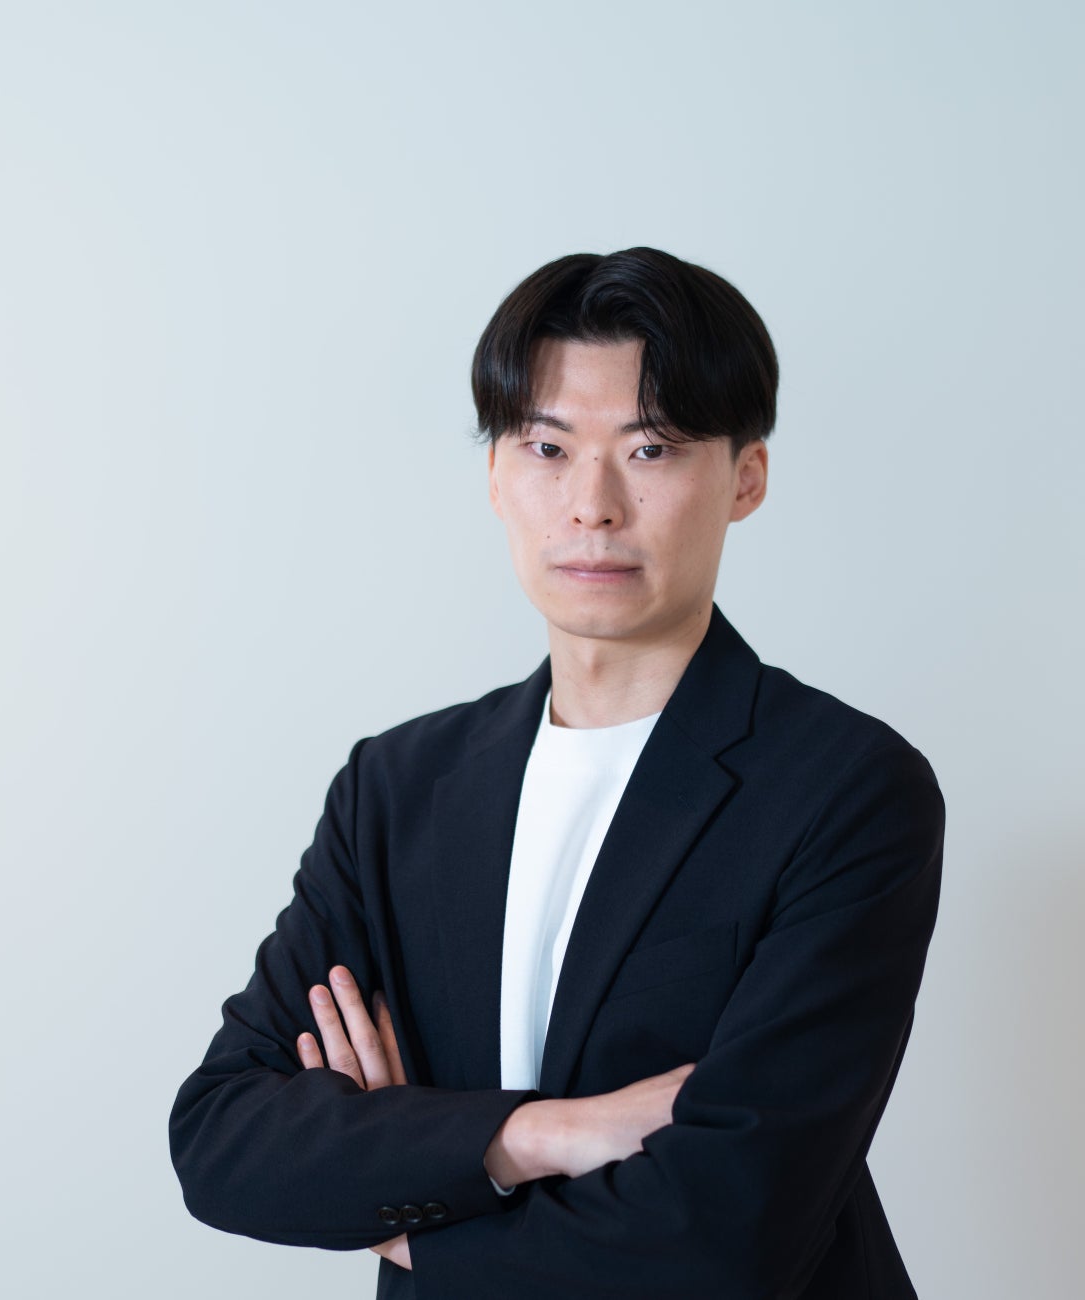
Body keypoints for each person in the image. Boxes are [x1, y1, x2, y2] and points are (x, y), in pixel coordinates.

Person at [168, 246, 945, 1299]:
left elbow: (731, 1228)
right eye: (547, 446)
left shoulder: (846, 789)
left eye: (651, 448)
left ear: (746, 478)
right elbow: (223, 1138)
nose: (593, 505)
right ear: (496, 475)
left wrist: (417, 1205)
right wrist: (538, 1134)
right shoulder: (396, 788)